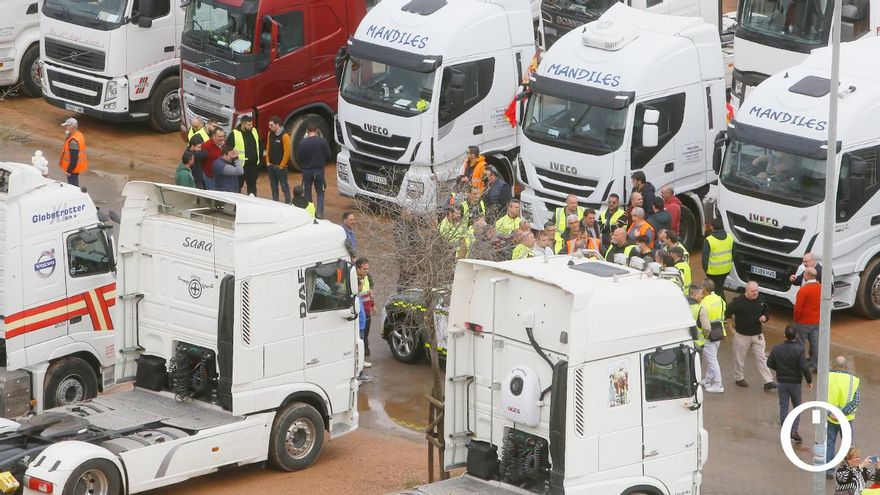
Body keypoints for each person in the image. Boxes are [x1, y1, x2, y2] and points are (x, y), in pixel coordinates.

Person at [766, 325, 813, 443]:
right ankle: (794, 430)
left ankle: (785, 431)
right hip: (795, 383)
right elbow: (804, 367)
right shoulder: (799, 350)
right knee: (797, 407)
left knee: (783, 407)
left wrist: (780, 370)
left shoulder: (777, 348)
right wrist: (809, 380)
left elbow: (769, 363)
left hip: (782, 382)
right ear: (796, 336)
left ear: (784, 335)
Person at [726, 281, 775, 390]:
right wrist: (731, 328)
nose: (755, 293)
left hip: (757, 334)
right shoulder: (738, 301)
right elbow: (727, 313)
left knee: (762, 357)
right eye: (752, 291)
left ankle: (768, 381)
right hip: (742, 335)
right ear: (746, 291)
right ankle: (739, 378)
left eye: (757, 290)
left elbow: (767, 312)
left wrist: (765, 318)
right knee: (739, 358)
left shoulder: (761, 299)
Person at [827, 356, 861, 476]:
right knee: (848, 445)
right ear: (847, 366)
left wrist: (830, 412)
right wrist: (841, 414)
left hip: (830, 418)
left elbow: (819, 398)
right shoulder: (854, 380)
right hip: (847, 419)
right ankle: (849, 470)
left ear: (833, 365)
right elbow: (855, 401)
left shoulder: (827, 378)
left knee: (829, 443)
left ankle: (829, 471)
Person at [298, 120, 332, 218]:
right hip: (319, 170)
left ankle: (310, 212)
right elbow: (329, 155)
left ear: (306, 131)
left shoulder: (302, 143)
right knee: (320, 192)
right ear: (317, 130)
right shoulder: (322, 141)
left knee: (307, 191)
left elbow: (299, 157)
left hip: (307, 171)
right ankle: (319, 212)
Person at [700, 279, 726, 393]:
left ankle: (718, 385)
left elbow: (703, 321)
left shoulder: (704, 303)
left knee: (712, 360)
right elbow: (723, 311)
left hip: (709, 335)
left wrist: (704, 335)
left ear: (704, 289)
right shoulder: (719, 299)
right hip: (719, 332)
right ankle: (707, 379)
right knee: (712, 357)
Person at [794, 267, 821, 372]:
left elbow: (797, 308)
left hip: (803, 322)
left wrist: (796, 320)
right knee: (815, 344)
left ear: (807, 276)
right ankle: (816, 365)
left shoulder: (804, 289)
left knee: (800, 344)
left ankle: (800, 365)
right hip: (817, 321)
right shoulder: (821, 288)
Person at [230, 115, 262, 196]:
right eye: (249, 125)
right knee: (237, 188)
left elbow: (260, 146)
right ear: (242, 124)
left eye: (251, 124)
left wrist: (259, 162)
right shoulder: (234, 134)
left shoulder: (254, 131)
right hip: (240, 168)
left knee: (252, 188)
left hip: (253, 167)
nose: (251, 126)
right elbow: (228, 151)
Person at [702, 217, 733, 298]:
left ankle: (721, 307)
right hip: (726, 270)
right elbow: (734, 253)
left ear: (712, 227)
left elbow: (704, 259)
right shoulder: (730, 237)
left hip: (713, 272)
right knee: (719, 288)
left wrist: (707, 271)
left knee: (716, 291)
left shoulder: (709, 240)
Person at [265, 116, 292, 203]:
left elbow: (287, 152)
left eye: (271, 125)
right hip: (271, 166)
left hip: (281, 168)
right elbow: (268, 148)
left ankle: (288, 202)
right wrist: (267, 162)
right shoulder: (270, 134)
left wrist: (281, 166)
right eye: (269, 125)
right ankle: (275, 202)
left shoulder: (285, 136)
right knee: (273, 187)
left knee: (284, 187)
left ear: (277, 124)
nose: (269, 127)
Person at [355, 258, 375, 360]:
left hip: (366, 310)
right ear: (357, 268)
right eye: (364, 269)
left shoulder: (367, 276)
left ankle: (365, 350)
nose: (366, 271)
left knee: (365, 333)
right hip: (357, 312)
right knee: (359, 334)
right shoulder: (353, 278)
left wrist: (373, 305)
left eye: (367, 269)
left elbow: (369, 292)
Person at [59, 117, 88, 187]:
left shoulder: (73, 141)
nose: (66, 128)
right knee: (74, 184)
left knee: (73, 186)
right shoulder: (78, 135)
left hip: (72, 169)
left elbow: (74, 159)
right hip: (76, 168)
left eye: (67, 126)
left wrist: (68, 171)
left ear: (72, 127)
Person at [687, 284, 711, 348]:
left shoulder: (681, 305)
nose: (702, 296)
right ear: (695, 295)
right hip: (697, 344)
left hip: (683, 341)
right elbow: (707, 328)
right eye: (701, 294)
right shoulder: (700, 309)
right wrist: (705, 336)